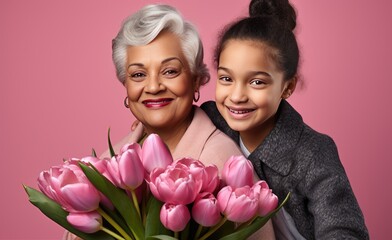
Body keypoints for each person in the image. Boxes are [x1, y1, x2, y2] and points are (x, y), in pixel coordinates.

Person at [63, 4, 274, 240]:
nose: (153, 87)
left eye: (170, 71)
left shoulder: (222, 163)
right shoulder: (106, 165)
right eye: (138, 75)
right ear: (126, 85)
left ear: (195, 81)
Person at [199, 0, 370, 239]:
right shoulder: (212, 120)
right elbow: (176, 120)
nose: (236, 97)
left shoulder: (312, 152)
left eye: (257, 82)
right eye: (226, 79)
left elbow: (344, 231)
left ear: (287, 87)